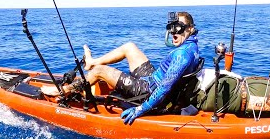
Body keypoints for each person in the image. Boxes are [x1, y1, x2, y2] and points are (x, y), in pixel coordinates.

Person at [40, 11, 201, 125]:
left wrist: (140, 110)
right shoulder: (192, 46)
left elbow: (164, 89)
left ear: (190, 29)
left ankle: (63, 91)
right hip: (152, 79)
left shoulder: (182, 55)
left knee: (99, 71)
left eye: (178, 28)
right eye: (171, 27)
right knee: (129, 47)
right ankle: (91, 61)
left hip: (148, 91)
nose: (173, 33)